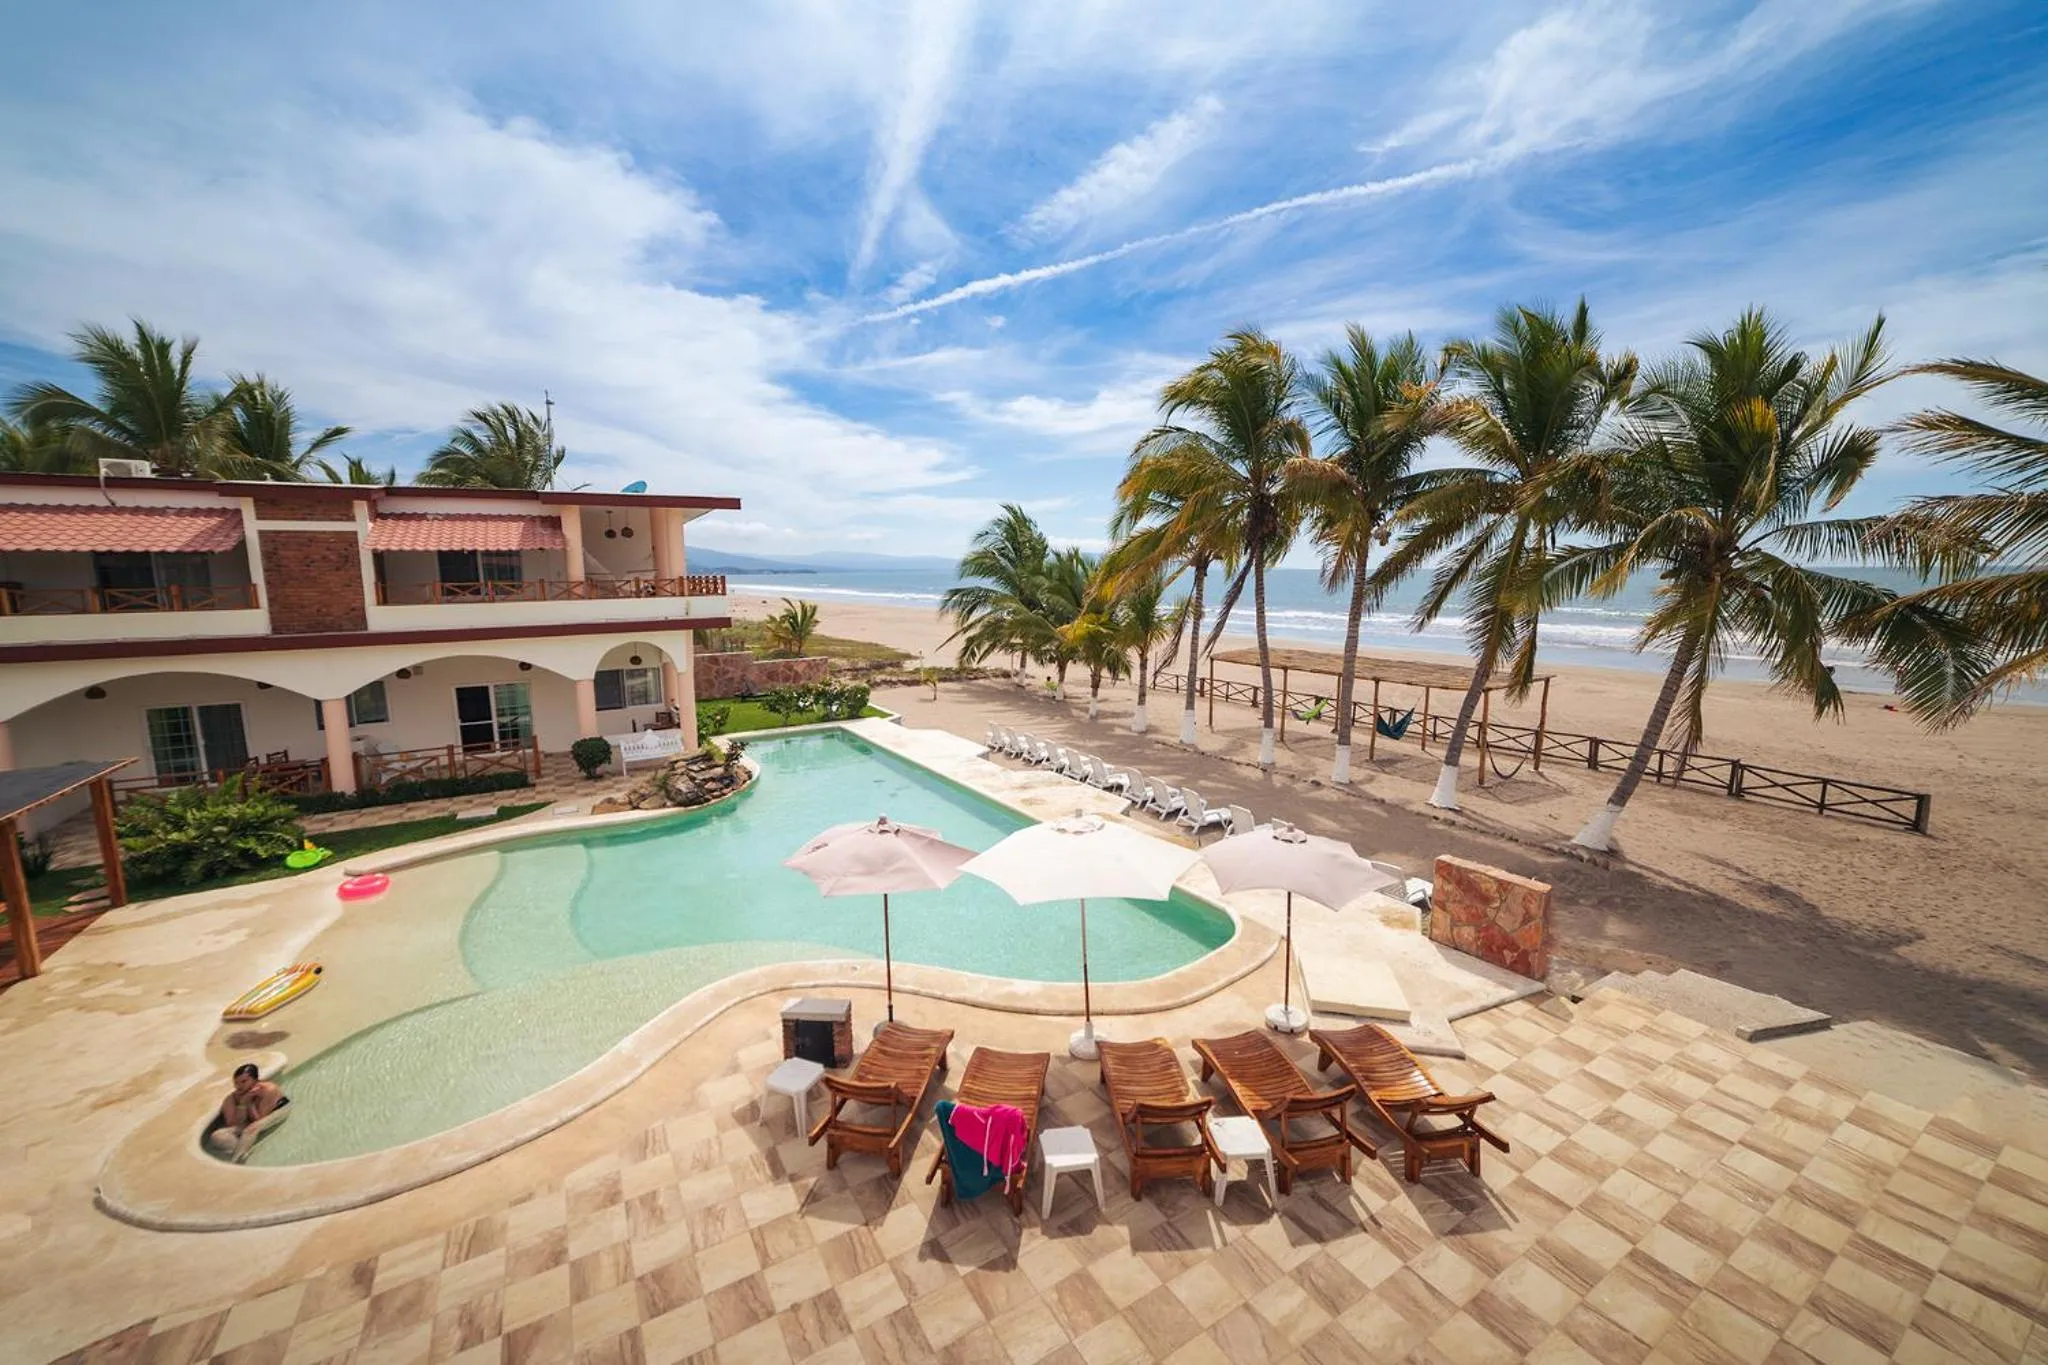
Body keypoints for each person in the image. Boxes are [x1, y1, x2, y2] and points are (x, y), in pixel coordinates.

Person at [206, 1063, 288, 1162]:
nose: (239, 1086)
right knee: (217, 1136)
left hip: (277, 1110)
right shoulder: (231, 1098)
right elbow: (232, 1123)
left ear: (255, 1080)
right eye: (236, 1083)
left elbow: (258, 1120)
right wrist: (243, 1102)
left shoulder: (269, 1090)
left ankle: (235, 1161)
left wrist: (249, 1103)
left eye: (243, 1081)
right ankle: (244, 1155)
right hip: (251, 1121)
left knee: (250, 1130)